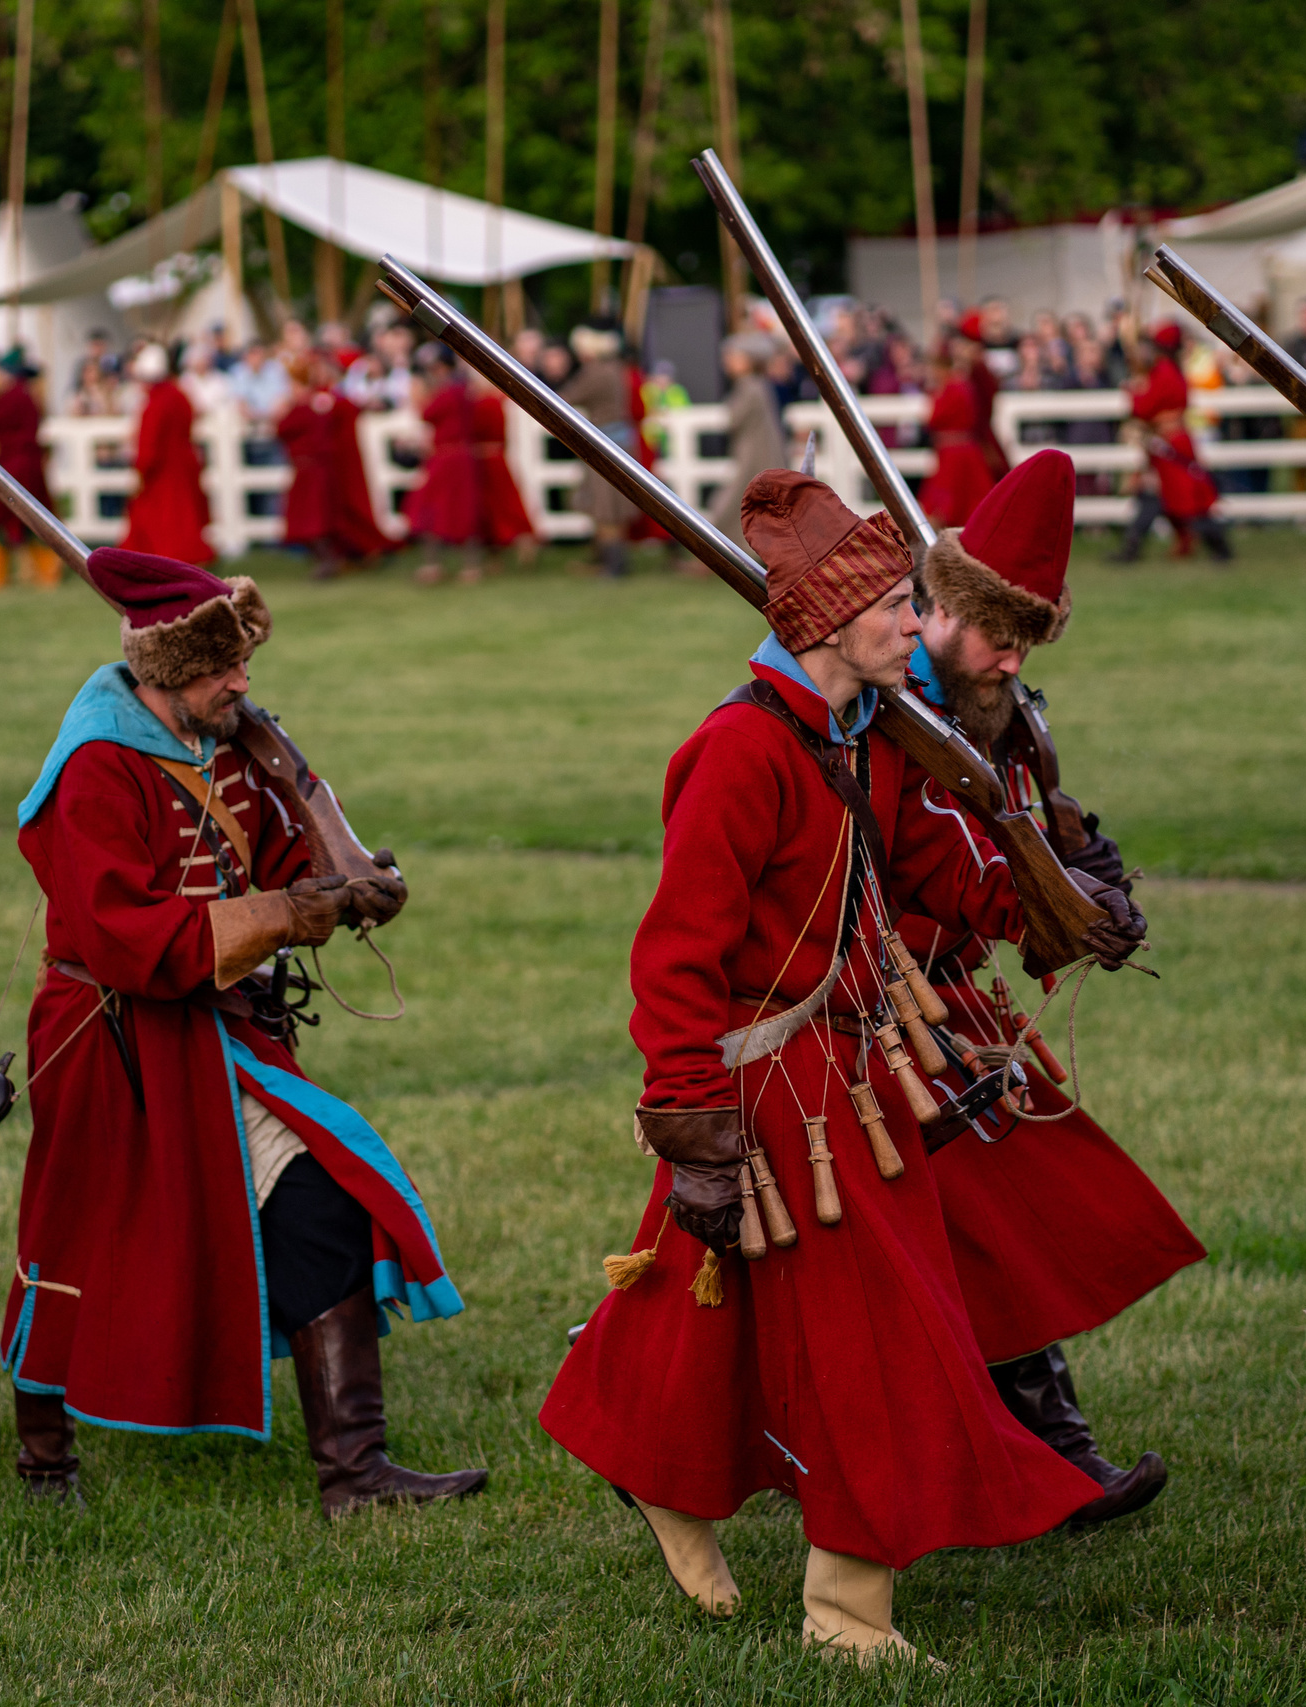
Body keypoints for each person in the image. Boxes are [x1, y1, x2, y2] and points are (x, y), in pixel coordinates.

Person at [539, 468, 1147, 1663]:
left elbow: (944, 876)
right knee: (890, 1349)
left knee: (730, 1333)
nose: (919, 627)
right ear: (825, 622)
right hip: (769, 1090)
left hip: (852, 1077)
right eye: (896, 609)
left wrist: (1063, 906)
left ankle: (674, 1489)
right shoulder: (739, 754)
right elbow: (674, 963)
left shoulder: (862, 739)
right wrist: (693, 1124)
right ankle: (846, 1618)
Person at [1, 548, 482, 1516]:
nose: (242, 682)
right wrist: (284, 916)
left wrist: (344, 879)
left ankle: (355, 1475)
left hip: (217, 1030)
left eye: (241, 665)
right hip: (116, 1040)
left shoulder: (218, 743)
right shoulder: (97, 766)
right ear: (168, 672)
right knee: (82, 1240)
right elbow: (125, 940)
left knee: (327, 1201)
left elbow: (272, 853)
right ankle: (44, 1456)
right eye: (223, 668)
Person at [903, 448, 1206, 1519]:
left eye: (1026, 637)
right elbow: (935, 865)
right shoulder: (887, 716)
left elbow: (1033, 825)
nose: (1007, 658)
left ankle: (1054, 1455)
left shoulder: (1003, 707)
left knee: (1015, 1207)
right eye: (996, 632)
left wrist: (1087, 878)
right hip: (878, 1002)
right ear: (940, 607)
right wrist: (1049, 904)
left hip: (949, 997)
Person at [1113, 324, 1230, 563]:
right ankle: (1133, 548)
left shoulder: (1164, 371)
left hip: (1170, 443)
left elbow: (1143, 408)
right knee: (1158, 496)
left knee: (1185, 499)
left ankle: (1219, 547)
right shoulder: (1170, 369)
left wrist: (1132, 391)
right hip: (1171, 441)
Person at [275, 353, 391, 577]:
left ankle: (339, 558)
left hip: (325, 465)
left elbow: (285, 428)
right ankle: (336, 557)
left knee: (322, 516)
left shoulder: (321, 401)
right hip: (318, 466)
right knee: (317, 518)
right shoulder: (318, 401)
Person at [120, 343, 214, 567]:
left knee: (160, 523)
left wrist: (140, 471)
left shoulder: (154, 404)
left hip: (162, 472)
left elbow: (149, 446)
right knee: (184, 519)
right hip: (184, 466)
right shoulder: (180, 395)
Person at [0, 351, 61, 592]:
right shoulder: (30, 394)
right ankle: (47, 569)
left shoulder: (11, 396)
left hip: (15, 463)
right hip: (28, 462)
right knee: (32, 517)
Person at [561, 324, 640, 578]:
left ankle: (613, 565)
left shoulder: (594, 373)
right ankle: (611, 561)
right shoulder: (615, 370)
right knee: (613, 506)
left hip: (605, 444)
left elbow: (567, 396)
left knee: (606, 507)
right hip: (620, 442)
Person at [402, 346, 483, 584]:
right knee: (455, 510)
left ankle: (437, 565)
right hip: (455, 457)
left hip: (448, 459)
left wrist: (418, 395)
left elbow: (426, 413)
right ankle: (465, 566)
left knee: (434, 510)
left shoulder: (448, 392)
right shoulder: (461, 390)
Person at [919, 315, 1006, 527]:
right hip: (957, 450)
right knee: (955, 503)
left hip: (959, 451)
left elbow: (934, 419)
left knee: (953, 504)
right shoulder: (956, 384)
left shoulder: (956, 385)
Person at [707, 338, 786, 540]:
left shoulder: (749, 387)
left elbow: (734, 418)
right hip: (756, 452)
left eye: (733, 357)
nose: (728, 361)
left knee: (732, 502)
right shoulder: (757, 385)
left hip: (754, 455)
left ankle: (721, 548)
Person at [470, 371, 536, 564]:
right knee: (495, 507)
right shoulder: (497, 400)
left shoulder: (485, 402)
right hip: (491, 459)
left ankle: (519, 549)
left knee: (504, 504)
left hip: (489, 460)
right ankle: (503, 553)